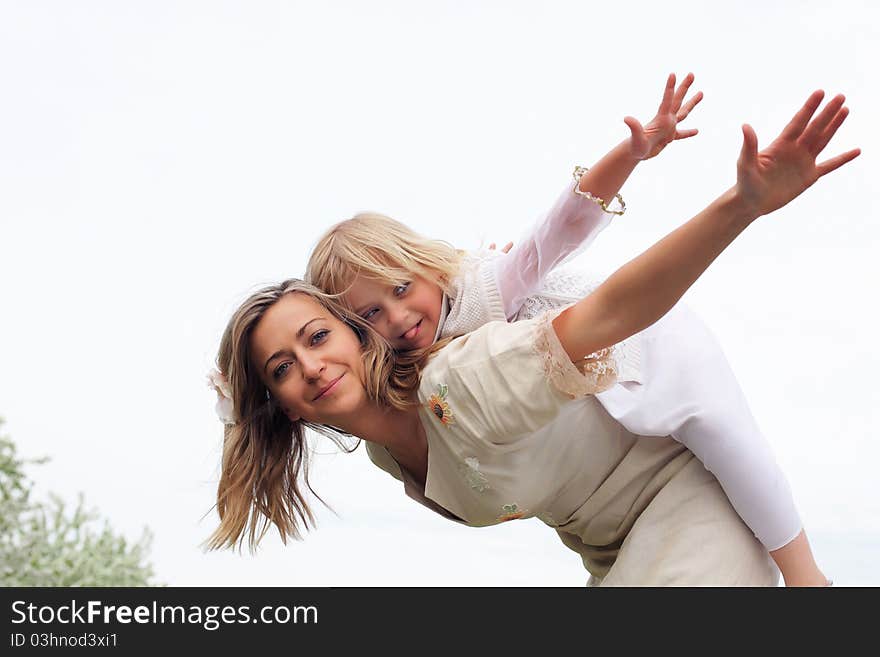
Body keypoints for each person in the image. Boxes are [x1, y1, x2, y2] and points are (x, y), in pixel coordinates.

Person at [207, 91, 858, 585]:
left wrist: (737, 202)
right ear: (283, 402)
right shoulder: (386, 454)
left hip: (682, 480)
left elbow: (602, 289)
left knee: (728, 432)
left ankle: (811, 580)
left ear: (351, 341)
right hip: (613, 550)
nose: (313, 365)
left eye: (317, 336)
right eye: (282, 368)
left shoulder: (462, 373)